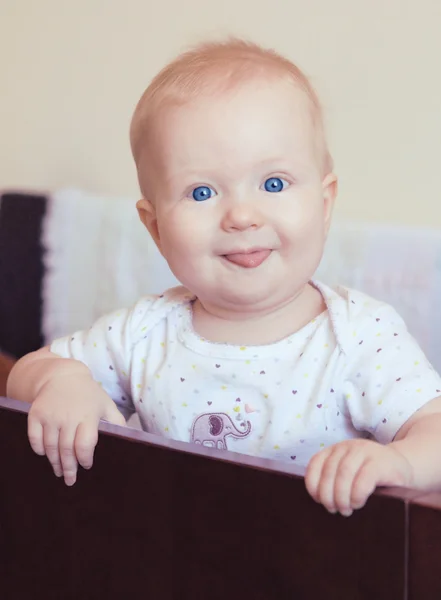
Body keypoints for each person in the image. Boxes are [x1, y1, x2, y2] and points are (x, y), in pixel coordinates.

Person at [7, 38, 441, 517]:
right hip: (175, 555)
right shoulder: (144, 333)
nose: (241, 215)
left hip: (316, 565)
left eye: (273, 183)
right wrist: (62, 382)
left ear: (323, 204)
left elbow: (434, 430)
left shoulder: (359, 337)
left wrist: (397, 461)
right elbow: (24, 373)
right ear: (155, 227)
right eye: (201, 192)